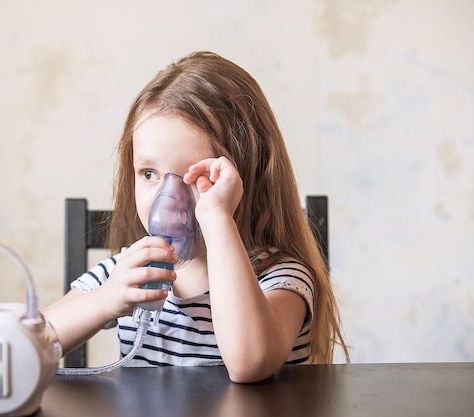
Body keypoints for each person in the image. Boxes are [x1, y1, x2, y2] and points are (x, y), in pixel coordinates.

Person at [42, 51, 348, 383]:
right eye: (148, 174)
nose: (169, 202)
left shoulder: (280, 278)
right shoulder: (128, 273)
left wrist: (216, 215)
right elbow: (29, 343)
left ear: (248, 179)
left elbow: (250, 363)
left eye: (196, 177)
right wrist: (105, 300)